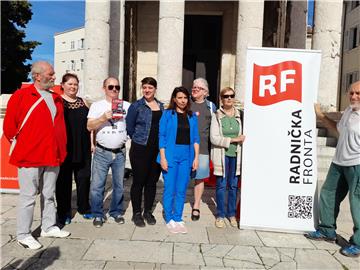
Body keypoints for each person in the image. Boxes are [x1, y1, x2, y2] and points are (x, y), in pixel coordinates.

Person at [3, 61, 70, 250]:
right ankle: (23, 234)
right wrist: (26, 144)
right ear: (37, 76)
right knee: (28, 196)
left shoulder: (56, 98)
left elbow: (59, 127)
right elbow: (9, 127)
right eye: (51, 74)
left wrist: (61, 149)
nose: (54, 77)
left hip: (52, 155)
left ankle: (48, 226)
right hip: (29, 156)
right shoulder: (21, 95)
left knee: (49, 194)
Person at [305, 81, 360, 257]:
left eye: (358, 93)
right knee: (328, 194)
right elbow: (338, 131)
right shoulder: (349, 113)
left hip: (356, 165)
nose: (353, 96)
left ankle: (358, 243)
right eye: (351, 93)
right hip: (339, 162)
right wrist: (321, 115)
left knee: (356, 204)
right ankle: (327, 230)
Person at [87, 77, 130, 228]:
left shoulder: (126, 105)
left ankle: (116, 212)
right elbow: (89, 126)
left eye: (117, 87)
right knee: (97, 186)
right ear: (104, 88)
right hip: (102, 152)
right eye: (110, 87)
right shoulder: (97, 106)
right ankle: (98, 214)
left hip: (120, 152)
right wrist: (102, 118)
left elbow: (132, 125)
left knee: (119, 185)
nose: (114, 90)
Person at [158, 87, 200, 234]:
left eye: (185, 98)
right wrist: (163, 157)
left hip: (186, 156)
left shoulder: (192, 116)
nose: (183, 100)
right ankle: (169, 218)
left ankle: (178, 217)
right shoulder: (167, 114)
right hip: (170, 154)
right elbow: (161, 137)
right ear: (174, 99)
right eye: (180, 97)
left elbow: (195, 138)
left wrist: (196, 157)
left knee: (182, 189)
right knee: (170, 188)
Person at [55, 73, 93, 225]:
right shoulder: (58, 101)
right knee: (63, 182)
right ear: (62, 85)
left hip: (83, 146)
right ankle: (64, 212)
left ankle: (84, 208)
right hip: (65, 148)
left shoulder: (84, 102)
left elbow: (90, 125)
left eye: (75, 84)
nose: (73, 87)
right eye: (70, 84)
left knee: (84, 179)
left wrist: (92, 143)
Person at [126, 77, 164, 227]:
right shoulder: (136, 106)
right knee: (138, 181)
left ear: (155, 89)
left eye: (150, 88)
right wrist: (138, 139)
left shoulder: (161, 106)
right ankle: (136, 213)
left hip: (157, 150)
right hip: (140, 149)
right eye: (145, 88)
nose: (147, 90)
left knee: (152, 182)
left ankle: (148, 211)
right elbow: (129, 126)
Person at [210, 87, 245, 229]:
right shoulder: (216, 115)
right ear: (221, 99)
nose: (229, 98)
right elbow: (214, 138)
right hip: (222, 156)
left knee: (233, 186)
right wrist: (234, 139)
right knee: (221, 186)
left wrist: (235, 140)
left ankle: (231, 214)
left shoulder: (240, 115)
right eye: (226, 96)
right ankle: (220, 215)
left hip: (236, 155)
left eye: (231, 96)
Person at [190, 78, 216, 221]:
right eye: (194, 87)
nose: (194, 89)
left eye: (198, 88)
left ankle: (197, 205)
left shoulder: (211, 107)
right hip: (185, 148)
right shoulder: (186, 104)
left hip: (203, 149)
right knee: (182, 177)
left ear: (205, 92)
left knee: (199, 179)